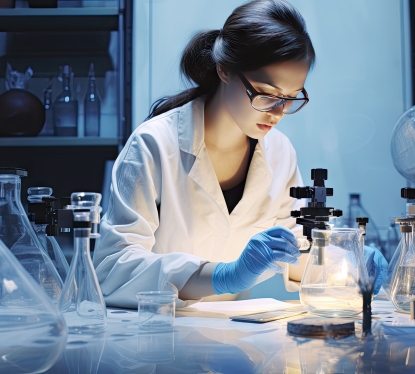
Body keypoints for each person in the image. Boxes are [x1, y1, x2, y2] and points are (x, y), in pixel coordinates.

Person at [94, 0, 387, 308]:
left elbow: (293, 250)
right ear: (224, 70)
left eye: (290, 98)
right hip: (158, 334)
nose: (278, 112)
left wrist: (344, 260)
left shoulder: (279, 152)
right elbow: (114, 268)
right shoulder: (154, 145)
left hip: (234, 337)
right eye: (266, 93)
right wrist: (226, 275)